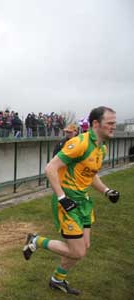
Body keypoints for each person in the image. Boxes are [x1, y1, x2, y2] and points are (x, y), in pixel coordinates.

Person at [23, 106, 119, 295]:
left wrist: (107, 191)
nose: (113, 127)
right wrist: (62, 198)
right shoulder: (80, 143)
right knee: (78, 251)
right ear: (96, 124)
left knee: (84, 246)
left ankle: (57, 280)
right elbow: (50, 168)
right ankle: (36, 240)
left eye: (114, 123)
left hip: (84, 202)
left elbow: (90, 175)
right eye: (110, 123)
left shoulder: (102, 148)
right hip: (67, 202)